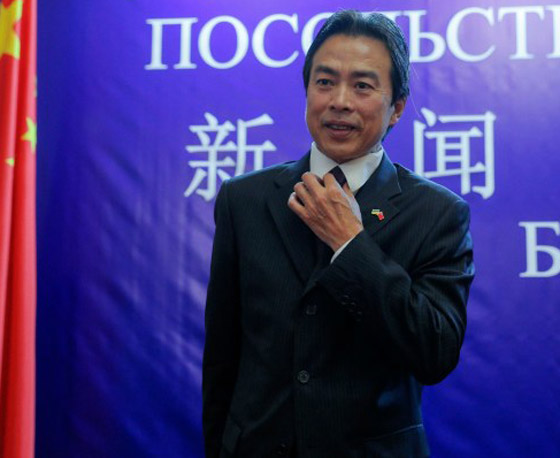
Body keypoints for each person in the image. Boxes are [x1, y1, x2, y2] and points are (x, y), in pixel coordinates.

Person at [202, 10, 474, 458]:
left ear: (396, 108)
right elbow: (222, 358)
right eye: (325, 82)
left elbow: (435, 352)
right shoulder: (244, 200)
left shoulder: (437, 213)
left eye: (362, 86)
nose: (340, 101)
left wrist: (351, 245)